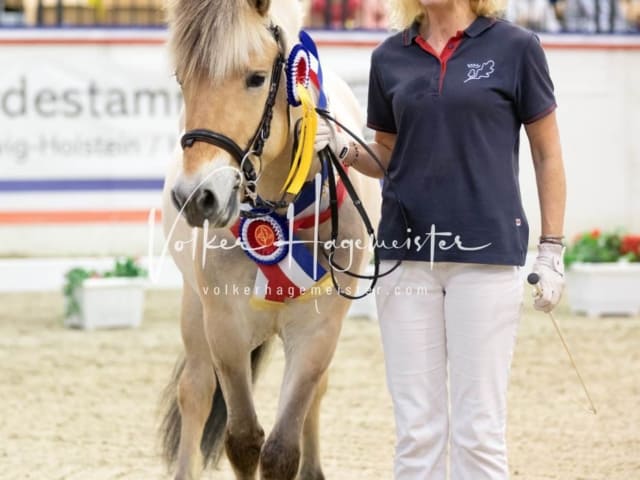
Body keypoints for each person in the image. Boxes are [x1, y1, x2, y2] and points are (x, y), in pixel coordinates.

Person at [314, 0, 567, 477]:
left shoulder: (517, 48)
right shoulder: (390, 57)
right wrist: (346, 148)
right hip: (405, 258)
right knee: (417, 433)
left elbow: (547, 153)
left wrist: (552, 248)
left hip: (486, 257)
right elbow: (387, 153)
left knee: (479, 432)